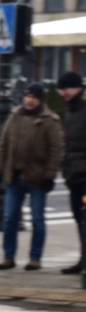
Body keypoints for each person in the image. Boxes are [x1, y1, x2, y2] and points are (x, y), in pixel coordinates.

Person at [0, 82, 65, 270]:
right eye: (27, 96)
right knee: (9, 217)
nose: (29, 100)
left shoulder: (50, 120)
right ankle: (8, 256)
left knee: (37, 219)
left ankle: (35, 257)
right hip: (15, 175)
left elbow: (56, 150)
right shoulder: (15, 116)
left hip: (37, 177)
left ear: (40, 100)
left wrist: (50, 175)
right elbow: (4, 144)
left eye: (33, 97)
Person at [57, 71, 86, 273]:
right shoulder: (70, 111)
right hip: (73, 174)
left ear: (77, 88)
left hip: (83, 173)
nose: (62, 93)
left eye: (65, 88)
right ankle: (84, 259)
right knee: (79, 219)